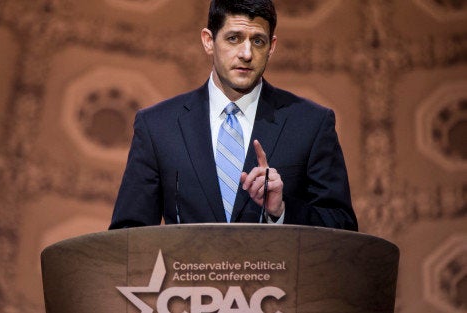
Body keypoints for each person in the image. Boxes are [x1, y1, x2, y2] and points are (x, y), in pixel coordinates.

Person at [109, 0, 358, 231]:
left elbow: (342, 228)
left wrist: (281, 211)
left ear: (272, 46)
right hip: (188, 278)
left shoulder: (311, 124)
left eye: (257, 41)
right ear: (208, 40)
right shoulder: (158, 126)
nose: (246, 53)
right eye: (234, 38)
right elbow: (128, 235)